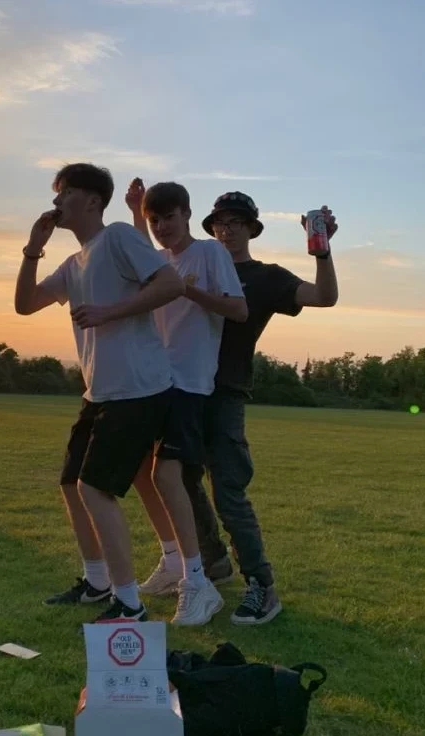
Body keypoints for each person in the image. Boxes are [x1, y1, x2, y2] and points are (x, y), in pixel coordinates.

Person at [15, 162, 222, 626]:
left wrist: (110, 312)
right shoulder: (74, 263)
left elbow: (170, 284)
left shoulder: (119, 238)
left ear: (92, 200)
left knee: (95, 487)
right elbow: (25, 305)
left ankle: (129, 603)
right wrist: (33, 250)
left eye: (64, 192)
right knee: (71, 483)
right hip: (100, 392)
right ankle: (97, 582)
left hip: (139, 389)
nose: (56, 201)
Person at [136, 190, 339, 626]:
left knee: (228, 492)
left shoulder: (263, 277)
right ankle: (211, 563)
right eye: (220, 224)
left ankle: (261, 585)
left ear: (251, 229)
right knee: (179, 482)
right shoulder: (188, 263)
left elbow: (324, 297)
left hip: (223, 394)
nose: (226, 230)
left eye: (236, 223)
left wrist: (322, 252)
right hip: (178, 389)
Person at [123, 179, 247, 598]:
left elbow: (238, 309)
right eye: (154, 220)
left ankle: (197, 577)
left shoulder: (210, 253)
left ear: (188, 214)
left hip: (188, 384)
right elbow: (139, 258)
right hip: (151, 382)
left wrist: (188, 289)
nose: (161, 227)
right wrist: (135, 212)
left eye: (169, 217)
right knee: (140, 469)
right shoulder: (159, 260)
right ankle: (174, 560)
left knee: (167, 474)